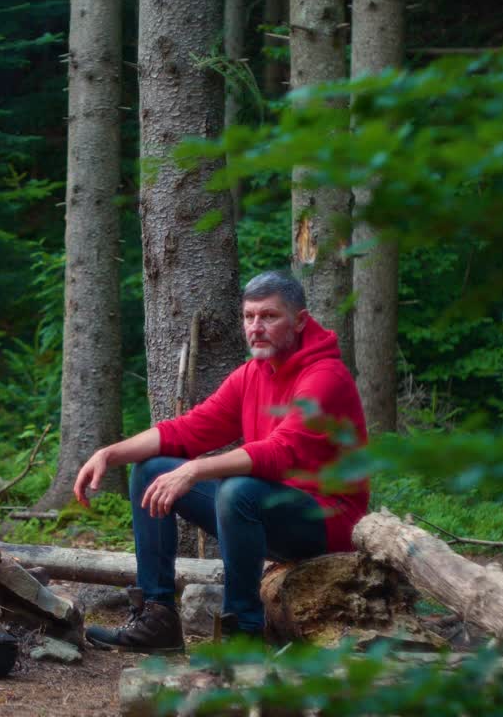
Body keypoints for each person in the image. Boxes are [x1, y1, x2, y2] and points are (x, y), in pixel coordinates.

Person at [74, 270, 368, 653]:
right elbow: (188, 429)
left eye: (269, 316)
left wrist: (195, 469)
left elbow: (282, 451)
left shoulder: (324, 376)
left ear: (299, 320)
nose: (256, 327)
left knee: (238, 490)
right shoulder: (252, 374)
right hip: (269, 511)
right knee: (150, 470)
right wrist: (109, 453)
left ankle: (243, 634)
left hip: (327, 521)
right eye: (249, 317)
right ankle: (158, 616)